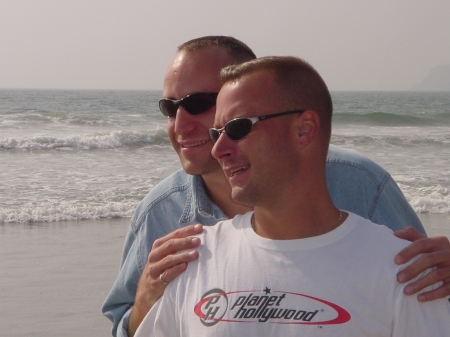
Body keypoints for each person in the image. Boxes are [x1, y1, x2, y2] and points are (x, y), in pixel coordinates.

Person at [102, 36, 450, 337]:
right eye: (168, 108)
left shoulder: (358, 183)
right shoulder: (161, 215)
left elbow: (424, 284)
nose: (180, 124)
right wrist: (147, 297)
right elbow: (127, 325)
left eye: (197, 104)